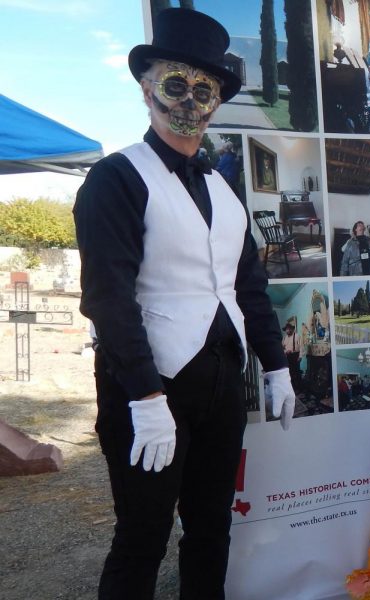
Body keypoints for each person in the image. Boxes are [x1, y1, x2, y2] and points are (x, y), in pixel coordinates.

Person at [72, 9, 295, 598]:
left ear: (218, 99)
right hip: (151, 381)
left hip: (223, 377)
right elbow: (108, 299)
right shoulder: (116, 178)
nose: (190, 101)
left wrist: (274, 364)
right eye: (176, 84)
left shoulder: (223, 188)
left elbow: (247, 285)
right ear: (147, 88)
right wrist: (145, 397)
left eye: (205, 88)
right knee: (142, 535)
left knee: (212, 527)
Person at [281, 316, 305, 392]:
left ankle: (300, 388)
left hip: (295, 355)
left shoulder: (297, 336)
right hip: (288, 357)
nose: (287, 330)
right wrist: (285, 352)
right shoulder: (284, 338)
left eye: (288, 328)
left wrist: (300, 356)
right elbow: (282, 348)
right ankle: (293, 388)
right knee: (289, 373)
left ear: (292, 329)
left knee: (297, 372)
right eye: (286, 329)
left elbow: (301, 347)